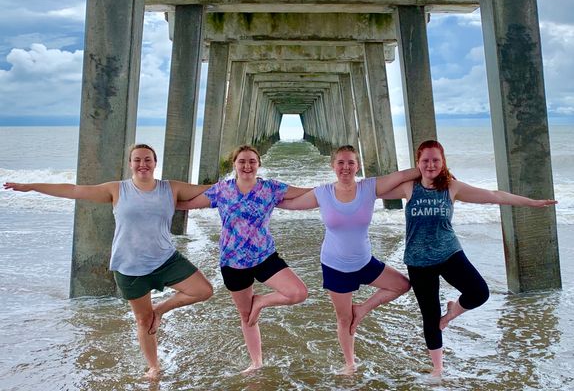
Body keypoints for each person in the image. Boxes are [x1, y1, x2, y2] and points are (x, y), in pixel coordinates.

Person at [3, 143, 214, 381]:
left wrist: (250, 180)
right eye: (137, 160)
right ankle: (154, 367)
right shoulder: (117, 190)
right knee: (143, 320)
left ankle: (161, 310)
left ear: (155, 163)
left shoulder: (170, 188)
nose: (142, 164)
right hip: (129, 266)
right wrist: (31, 186)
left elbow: (212, 189)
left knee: (203, 290)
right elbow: (73, 190)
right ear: (130, 164)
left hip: (166, 259)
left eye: (147, 159)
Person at [380, 139, 558, 378]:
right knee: (430, 317)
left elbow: (494, 196)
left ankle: (453, 312)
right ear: (417, 163)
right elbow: (375, 190)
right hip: (418, 261)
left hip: (449, 254)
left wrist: (531, 203)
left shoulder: (451, 187)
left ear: (443, 163)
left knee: (479, 292)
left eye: (436, 160)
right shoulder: (409, 187)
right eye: (425, 160)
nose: (431, 164)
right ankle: (438, 369)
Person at [277, 145, 420, 373]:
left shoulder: (369, 187)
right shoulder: (322, 193)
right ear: (333, 166)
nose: (346, 167)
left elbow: (403, 176)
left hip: (364, 261)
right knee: (344, 320)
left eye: (351, 163)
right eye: (341, 163)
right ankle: (350, 364)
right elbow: (290, 204)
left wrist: (436, 170)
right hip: (335, 266)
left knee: (402, 285)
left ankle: (362, 309)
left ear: (358, 166)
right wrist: (258, 199)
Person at [177, 144, 310, 373]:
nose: (247, 166)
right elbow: (189, 203)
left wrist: (339, 191)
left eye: (252, 161)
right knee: (246, 316)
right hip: (232, 261)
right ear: (234, 164)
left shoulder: (271, 188)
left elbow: (308, 193)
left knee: (298, 293)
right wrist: (154, 201)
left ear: (258, 164)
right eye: (242, 161)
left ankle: (260, 302)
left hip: (264, 256)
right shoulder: (222, 190)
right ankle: (256, 362)